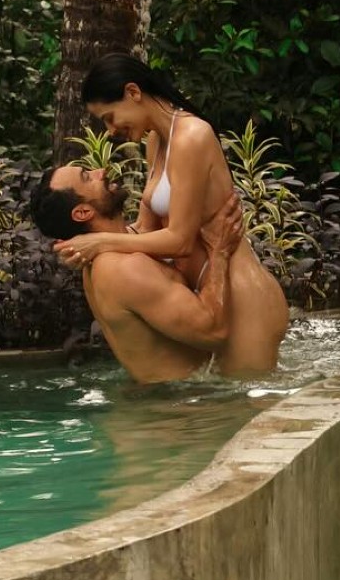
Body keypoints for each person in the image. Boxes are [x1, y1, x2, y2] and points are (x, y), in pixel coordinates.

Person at [54, 52, 288, 374]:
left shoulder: (193, 137)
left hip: (244, 299)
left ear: (133, 93)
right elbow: (146, 231)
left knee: (256, 419)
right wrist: (85, 245)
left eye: (109, 117)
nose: (109, 130)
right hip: (213, 295)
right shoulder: (157, 141)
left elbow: (178, 240)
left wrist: (100, 242)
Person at [29, 162, 244, 384]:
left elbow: (149, 209)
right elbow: (214, 332)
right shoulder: (123, 269)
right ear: (83, 212)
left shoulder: (109, 253)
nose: (100, 172)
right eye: (87, 177)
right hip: (183, 405)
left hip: (170, 401)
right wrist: (220, 252)